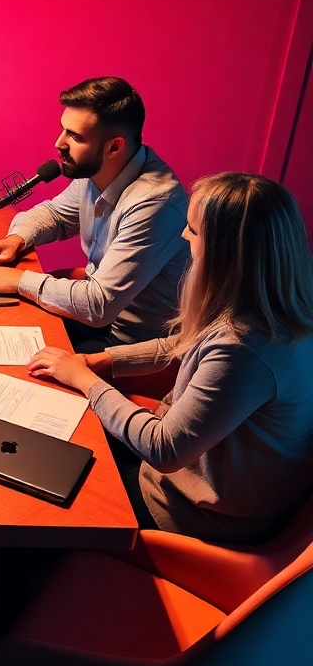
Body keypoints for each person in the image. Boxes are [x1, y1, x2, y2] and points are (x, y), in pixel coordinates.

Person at [26, 173, 313, 545]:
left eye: (192, 230)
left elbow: (164, 450)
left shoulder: (244, 349)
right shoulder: (275, 309)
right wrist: (100, 361)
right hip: (202, 481)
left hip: (192, 514)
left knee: (40, 491)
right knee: (56, 440)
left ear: (225, 250)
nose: (183, 235)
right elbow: (181, 344)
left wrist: (86, 382)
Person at [0, 77, 189, 352]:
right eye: (63, 130)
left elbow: (98, 306)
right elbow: (56, 214)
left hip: (126, 344)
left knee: (0, 351)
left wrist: (18, 281)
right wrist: (15, 240)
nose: (59, 143)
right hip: (90, 320)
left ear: (114, 146)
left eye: (75, 137)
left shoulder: (154, 203)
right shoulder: (100, 168)